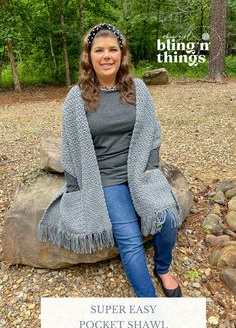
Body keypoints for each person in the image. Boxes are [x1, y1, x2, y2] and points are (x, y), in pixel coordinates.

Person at [38, 23, 182, 298]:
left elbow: (152, 130)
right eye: (99, 50)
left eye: (113, 50)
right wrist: (75, 186)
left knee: (167, 217)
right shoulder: (76, 98)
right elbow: (70, 145)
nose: (107, 56)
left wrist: (150, 166)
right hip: (104, 179)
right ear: (89, 57)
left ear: (121, 54)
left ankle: (163, 268)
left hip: (139, 170)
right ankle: (150, 303)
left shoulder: (138, 89)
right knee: (129, 240)